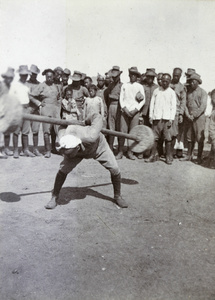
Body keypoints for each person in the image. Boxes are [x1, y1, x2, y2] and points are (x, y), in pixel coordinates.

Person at [45, 113, 128, 209]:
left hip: (98, 147)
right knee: (63, 169)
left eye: (70, 154)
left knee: (114, 168)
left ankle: (118, 196)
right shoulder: (64, 137)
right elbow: (59, 125)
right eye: (67, 154)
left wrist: (86, 121)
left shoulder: (91, 135)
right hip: (77, 151)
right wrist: (65, 120)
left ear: (77, 147)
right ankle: (54, 197)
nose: (69, 156)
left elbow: (97, 116)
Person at [29, 69, 61, 158]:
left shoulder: (56, 86)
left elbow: (58, 97)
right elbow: (31, 96)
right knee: (46, 131)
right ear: (45, 77)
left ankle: (53, 148)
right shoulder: (41, 86)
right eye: (47, 77)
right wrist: (39, 103)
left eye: (51, 76)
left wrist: (58, 106)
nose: (49, 78)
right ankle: (47, 150)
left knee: (54, 130)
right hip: (46, 109)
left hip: (55, 110)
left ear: (54, 76)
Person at [146, 73, 177, 165]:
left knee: (168, 138)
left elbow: (173, 107)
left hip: (167, 119)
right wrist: (151, 116)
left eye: (167, 81)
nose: (164, 83)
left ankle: (168, 156)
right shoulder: (156, 91)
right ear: (161, 81)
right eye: (163, 81)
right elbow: (152, 104)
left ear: (169, 82)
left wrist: (171, 119)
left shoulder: (171, 92)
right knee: (155, 138)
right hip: (156, 118)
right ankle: (153, 155)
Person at [117, 66, 145, 160]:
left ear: (137, 76)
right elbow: (121, 98)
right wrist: (124, 109)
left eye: (134, 75)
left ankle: (130, 151)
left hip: (134, 112)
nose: (132, 76)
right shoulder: (124, 85)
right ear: (129, 75)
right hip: (125, 111)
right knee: (122, 131)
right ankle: (120, 151)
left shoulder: (139, 86)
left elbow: (142, 101)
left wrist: (135, 110)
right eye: (131, 74)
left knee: (133, 132)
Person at [180, 73, 207, 164]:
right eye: (190, 81)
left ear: (197, 82)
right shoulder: (188, 92)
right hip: (189, 118)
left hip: (199, 117)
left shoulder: (203, 92)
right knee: (189, 137)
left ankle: (199, 157)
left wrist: (194, 115)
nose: (191, 83)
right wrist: (187, 114)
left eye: (193, 81)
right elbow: (185, 104)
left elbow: (203, 106)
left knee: (199, 137)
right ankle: (188, 155)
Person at [10, 65, 35, 158]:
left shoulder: (27, 86)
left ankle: (26, 150)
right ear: (20, 75)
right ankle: (16, 150)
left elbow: (30, 98)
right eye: (23, 75)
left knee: (25, 131)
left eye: (26, 75)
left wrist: (29, 108)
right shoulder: (14, 85)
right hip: (17, 109)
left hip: (26, 109)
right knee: (16, 131)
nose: (24, 76)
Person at [104, 66, 123, 152]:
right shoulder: (110, 86)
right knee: (111, 127)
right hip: (111, 106)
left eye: (116, 76)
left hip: (119, 108)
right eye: (113, 76)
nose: (114, 78)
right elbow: (107, 97)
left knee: (119, 128)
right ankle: (110, 148)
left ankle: (120, 149)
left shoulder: (122, 86)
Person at [170, 68, 186, 158]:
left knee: (175, 133)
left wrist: (181, 114)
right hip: (166, 111)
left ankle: (172, 152)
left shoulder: (181, 87)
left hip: (176, 112)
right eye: (174, 75)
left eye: (177, 76)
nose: (175, 77)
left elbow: (183, 101)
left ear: (180, 76)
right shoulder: (167, 83)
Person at [26, 64, 42, 156]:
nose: (34, 75)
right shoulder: (25, 84)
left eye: (35, 74)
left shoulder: (39, 84)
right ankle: (26, 149)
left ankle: (35, 149)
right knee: (26, 131)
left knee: (35, 130)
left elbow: (41, 97)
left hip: (36, 110)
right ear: (29, 74)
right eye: (32, 74)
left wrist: (38, 105)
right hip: (27, 109)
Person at [0, 67, 15, 158]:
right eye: (8, 77)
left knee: (6, 131)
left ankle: (5, 149)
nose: (9, 79)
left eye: (11, 78)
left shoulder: (10, 87)